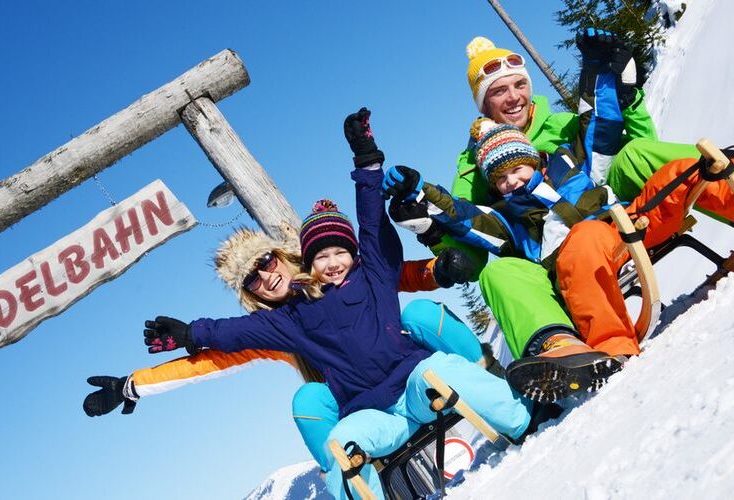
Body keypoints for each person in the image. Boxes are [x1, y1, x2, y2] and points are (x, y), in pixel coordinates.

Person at [138, 108, 539, 499]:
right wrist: (190, 333)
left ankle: (522, 420)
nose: (331, 263)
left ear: (352, 254)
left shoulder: (374, 274)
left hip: (418, 385)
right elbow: (234, 333)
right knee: (342, 445)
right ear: (307, 265)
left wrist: (367, 163)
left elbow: (371, 223)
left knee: (444, 368)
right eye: (320, 257)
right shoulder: (289, 319)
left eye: (338, 253)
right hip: (376, 417)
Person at [386, 95, 734, 403]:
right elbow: (464, 216)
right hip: (577, 263)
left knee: (680, 172)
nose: (511, 182)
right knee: (580, 240)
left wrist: (608, 78)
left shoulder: (567, 165)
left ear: (534, 160)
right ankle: (603, 348)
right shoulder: (507, 218)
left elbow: (598, 129)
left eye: (516, 169)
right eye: (500, 179)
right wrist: (421, 195)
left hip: (626, 228)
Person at [83, 225, 493, 471]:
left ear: (279, 254)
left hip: (410, 367)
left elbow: (390, 275)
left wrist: (435, 271)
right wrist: (131, 385)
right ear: (249, 294)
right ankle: (351, 476)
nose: (265, 275)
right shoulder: (273, 329)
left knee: (417, 315)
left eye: (265, 261)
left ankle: (488, 378)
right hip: (360, 401)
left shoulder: (329, 271)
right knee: (309, 397)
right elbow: (204, 362)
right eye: (252, 279)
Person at [437, 29, 700, 278]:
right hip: (549, 249)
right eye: (498, 91)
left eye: (519, 84)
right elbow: (467, 225)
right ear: (483, 104)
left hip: (605, 207)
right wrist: (436, 237)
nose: (514, 97)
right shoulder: (474, 166)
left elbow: (628, 146)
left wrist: (629, 99)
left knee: (636, 153)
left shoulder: (559, 124)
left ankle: (723, 175)